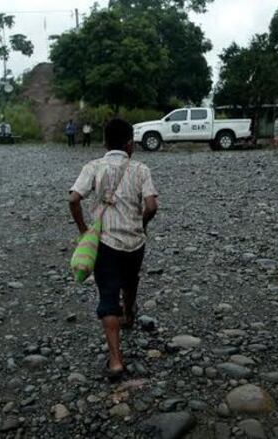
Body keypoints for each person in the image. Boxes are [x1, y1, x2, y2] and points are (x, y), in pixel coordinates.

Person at [68, 118, 158, 378]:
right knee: (131, 280)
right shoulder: (141, 169)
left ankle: (116, 361)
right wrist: (142, 224)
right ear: (130, 144)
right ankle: (129, 316)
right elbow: (151, 206)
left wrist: (84, 229)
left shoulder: (94, 166)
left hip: (105, 241)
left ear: (105, 142)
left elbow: (74, 198)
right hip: (135, 240)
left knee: (108, 295)